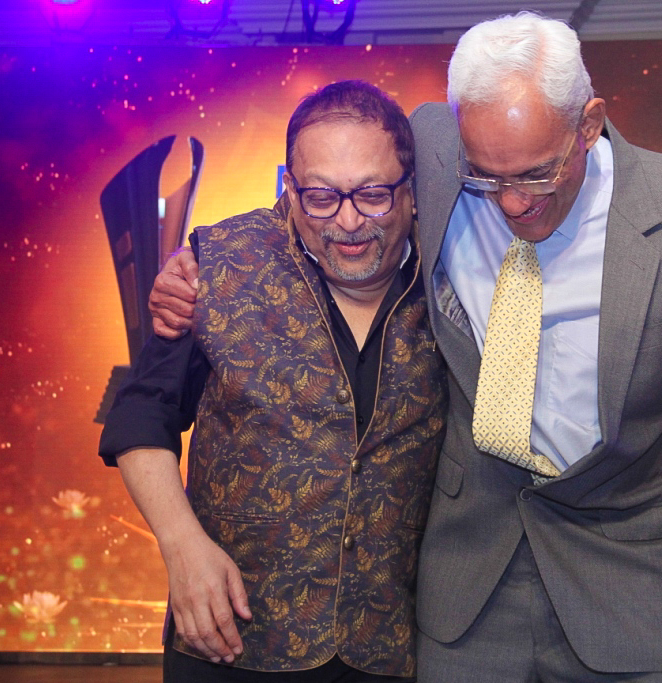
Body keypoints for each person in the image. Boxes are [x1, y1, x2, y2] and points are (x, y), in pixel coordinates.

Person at [151, 12, 662, 683]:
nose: (512, 203)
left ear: (588, 125)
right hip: (469, 592)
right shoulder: (435, 145)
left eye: (536, 174)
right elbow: (325, 190)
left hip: (633, 588)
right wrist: (200, 264)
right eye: (486, 177)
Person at [99, 80, 446, 682]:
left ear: (411, 191)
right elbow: (140, 416)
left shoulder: (454, 273)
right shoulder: (218, 265)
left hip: (386, 646)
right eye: (321, 197)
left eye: (372, 195)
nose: (348, 221)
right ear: (290, 190)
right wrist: (181, 547)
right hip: (231, 641)